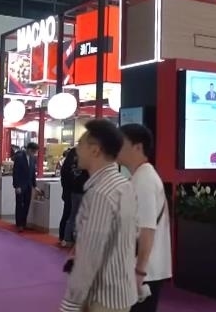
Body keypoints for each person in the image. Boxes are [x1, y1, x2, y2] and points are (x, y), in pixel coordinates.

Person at [60, 120, 137, 312]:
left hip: (102, 297)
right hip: (120, 291)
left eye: (80, 144)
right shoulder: (123, 184)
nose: (76, 151)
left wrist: (70, 304)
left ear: (95, 150)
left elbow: (90, 256)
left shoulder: (101, 193)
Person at [119, 124, 172, 312]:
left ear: (138, 147)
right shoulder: (140, 176)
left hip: (144, 272)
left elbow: (147, 230)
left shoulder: (144, 180)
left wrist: (139, 271)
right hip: (142, 269)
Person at [13, 142, 40, 232]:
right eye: (34, 151)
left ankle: (24, 223)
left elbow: (33, 173)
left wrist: (34, 185)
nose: (34, 154)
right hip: (20, 185)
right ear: (29, 149)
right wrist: (17, 186)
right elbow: (15, 173)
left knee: (27, 204)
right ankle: (19, 224)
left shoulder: (33, 159)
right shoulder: (19, 157)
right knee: (19, 204)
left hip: (28, 185)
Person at [58, 148, 80, 247]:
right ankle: (66, 236)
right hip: (71, 193)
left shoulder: (66, 165)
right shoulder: (72, 167)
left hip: (67, 193)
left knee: (67, 215)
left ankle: (62, 235)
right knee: (70, 216)